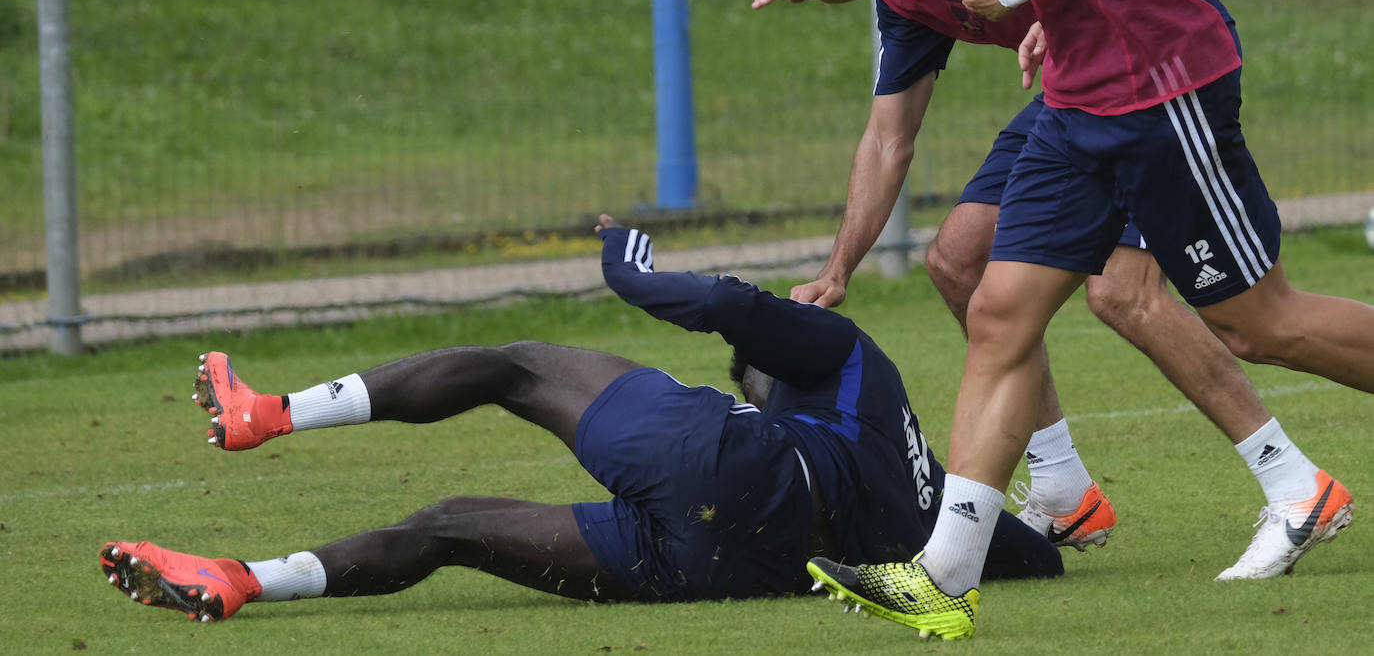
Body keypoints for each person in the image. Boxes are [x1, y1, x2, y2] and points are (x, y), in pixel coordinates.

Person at [805, 0, 1369, 639]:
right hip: (1080, 96)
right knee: (998, 305)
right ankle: (945, 574)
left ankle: (1284, 484)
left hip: (1155, 86)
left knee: (1258, 320)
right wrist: (1074, 3)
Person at [97, 216, 1061, 624]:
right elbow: (1029, 554)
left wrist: (631, 272)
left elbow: (731, 308)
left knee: (513, 367)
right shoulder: (937, 492)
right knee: (448, 530)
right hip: (723, 574)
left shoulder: (843, 355)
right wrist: (1058, 535)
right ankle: (240, 581)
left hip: (731, 463)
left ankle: (269, 412)